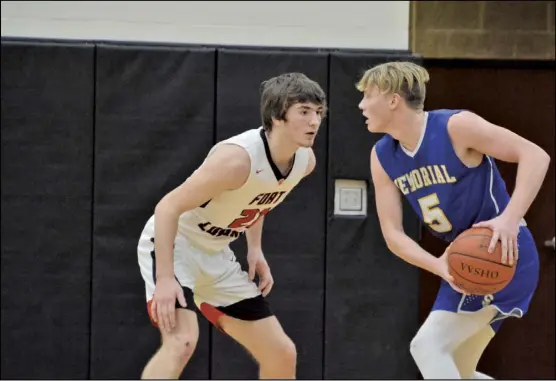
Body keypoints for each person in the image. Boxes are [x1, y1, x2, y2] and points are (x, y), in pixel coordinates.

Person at [357, 61, 550, 379]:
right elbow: (393, 234)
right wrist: (439, 266)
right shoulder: (382, 156)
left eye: (368, 95)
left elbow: (535, 155)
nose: (361, 105)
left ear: (393, 99)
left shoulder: (455, 126)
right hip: (465, 264)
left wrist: (509, 219)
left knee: (427, 347)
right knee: (458, 371)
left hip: (503, 250)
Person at [136, 72, 326, 379]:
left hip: (215, 252)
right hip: (174, 243)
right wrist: (165, 278)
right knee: (182, 342)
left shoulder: (305, 162)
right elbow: (167, 207)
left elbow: (260, 199)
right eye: (304, 112)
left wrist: (255, 249)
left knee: (281, 352)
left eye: (318, 113)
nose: (314, 121)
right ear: (277, 115)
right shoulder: (237, 160)